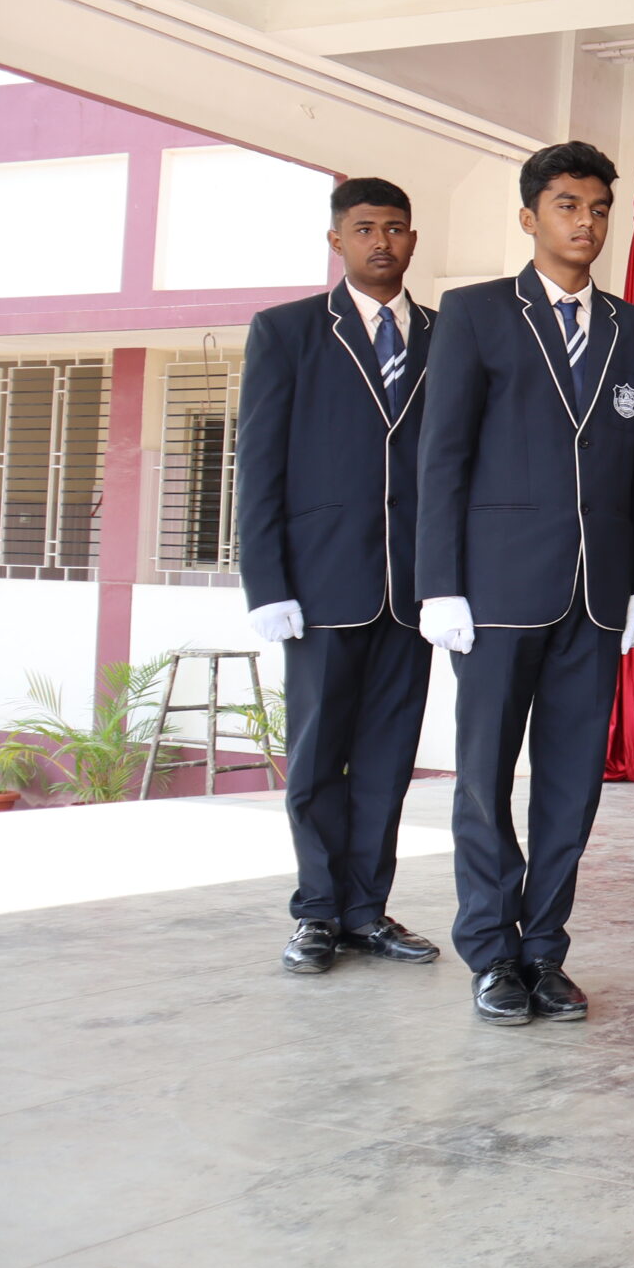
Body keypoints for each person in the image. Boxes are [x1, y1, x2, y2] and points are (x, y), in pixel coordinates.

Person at [415, 142, 634, 1027]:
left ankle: (545, 951)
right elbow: (442, 455)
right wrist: (439, 583)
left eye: (599, 208)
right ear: (529, 216)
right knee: (484, 776)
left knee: (573, 782)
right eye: (567, 205)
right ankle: (491, 950)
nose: (586, 222)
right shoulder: (475, 313)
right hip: (494, 592)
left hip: (596, 594)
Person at [239, 177, 441, 976]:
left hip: (415, 585)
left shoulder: (446, 334)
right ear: (337, 240)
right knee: (319, 756)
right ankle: (318, 912)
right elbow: (258, 465)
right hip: (321, 583)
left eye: (395, 227)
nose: (381, 241)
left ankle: (366, 909)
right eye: (364, 228)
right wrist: (267, 584)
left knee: (389, 757)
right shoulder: (287, 331)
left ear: (412, 239)